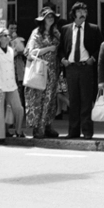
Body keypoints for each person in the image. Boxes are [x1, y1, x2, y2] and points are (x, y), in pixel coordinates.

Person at [58, 2, 103, 140]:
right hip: (71, 68)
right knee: (74, 100)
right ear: (74, 13)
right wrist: (62, 60)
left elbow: (99, 48)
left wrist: (93, 59)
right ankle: (73, 131)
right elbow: (60, 48)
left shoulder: (93, 29)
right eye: (80, 11)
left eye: (85, 11)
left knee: (86, 100)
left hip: (86, 68)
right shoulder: (66, 29)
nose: (83, 13)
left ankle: (87, 132)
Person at [25, 7, 61, 139]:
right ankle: (37, 128)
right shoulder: (36, 33)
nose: (50, 18)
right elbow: (30, 52)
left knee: (50, 100)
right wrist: (48, 49)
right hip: (40, 70)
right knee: (38, 99)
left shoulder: (56, 33)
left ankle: (47, 126)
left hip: (53, 71)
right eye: (47, 16)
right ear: (42, 19)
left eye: (52, 16)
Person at [0, 28, 25, 144]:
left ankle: (18, 131)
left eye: (8, 35)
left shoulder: (10, 50)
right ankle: (0, 136)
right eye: (5, 35)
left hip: (11, 85)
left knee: (18, 108)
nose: (7, 37)